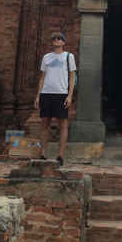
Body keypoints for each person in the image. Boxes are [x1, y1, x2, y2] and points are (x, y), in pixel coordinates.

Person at [34, 32, 76, 166]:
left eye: (59, 38)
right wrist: (38, 95)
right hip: (46, 93)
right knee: (45, 123)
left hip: (61, 93)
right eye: (54, 38)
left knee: (62, 124)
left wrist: (70, 96)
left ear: (64, 42)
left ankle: (60, 155)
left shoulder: (69, 57)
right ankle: (43, 154)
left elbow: (72, 77)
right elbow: (42, 77)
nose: (56, 40)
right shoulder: (46, 57)